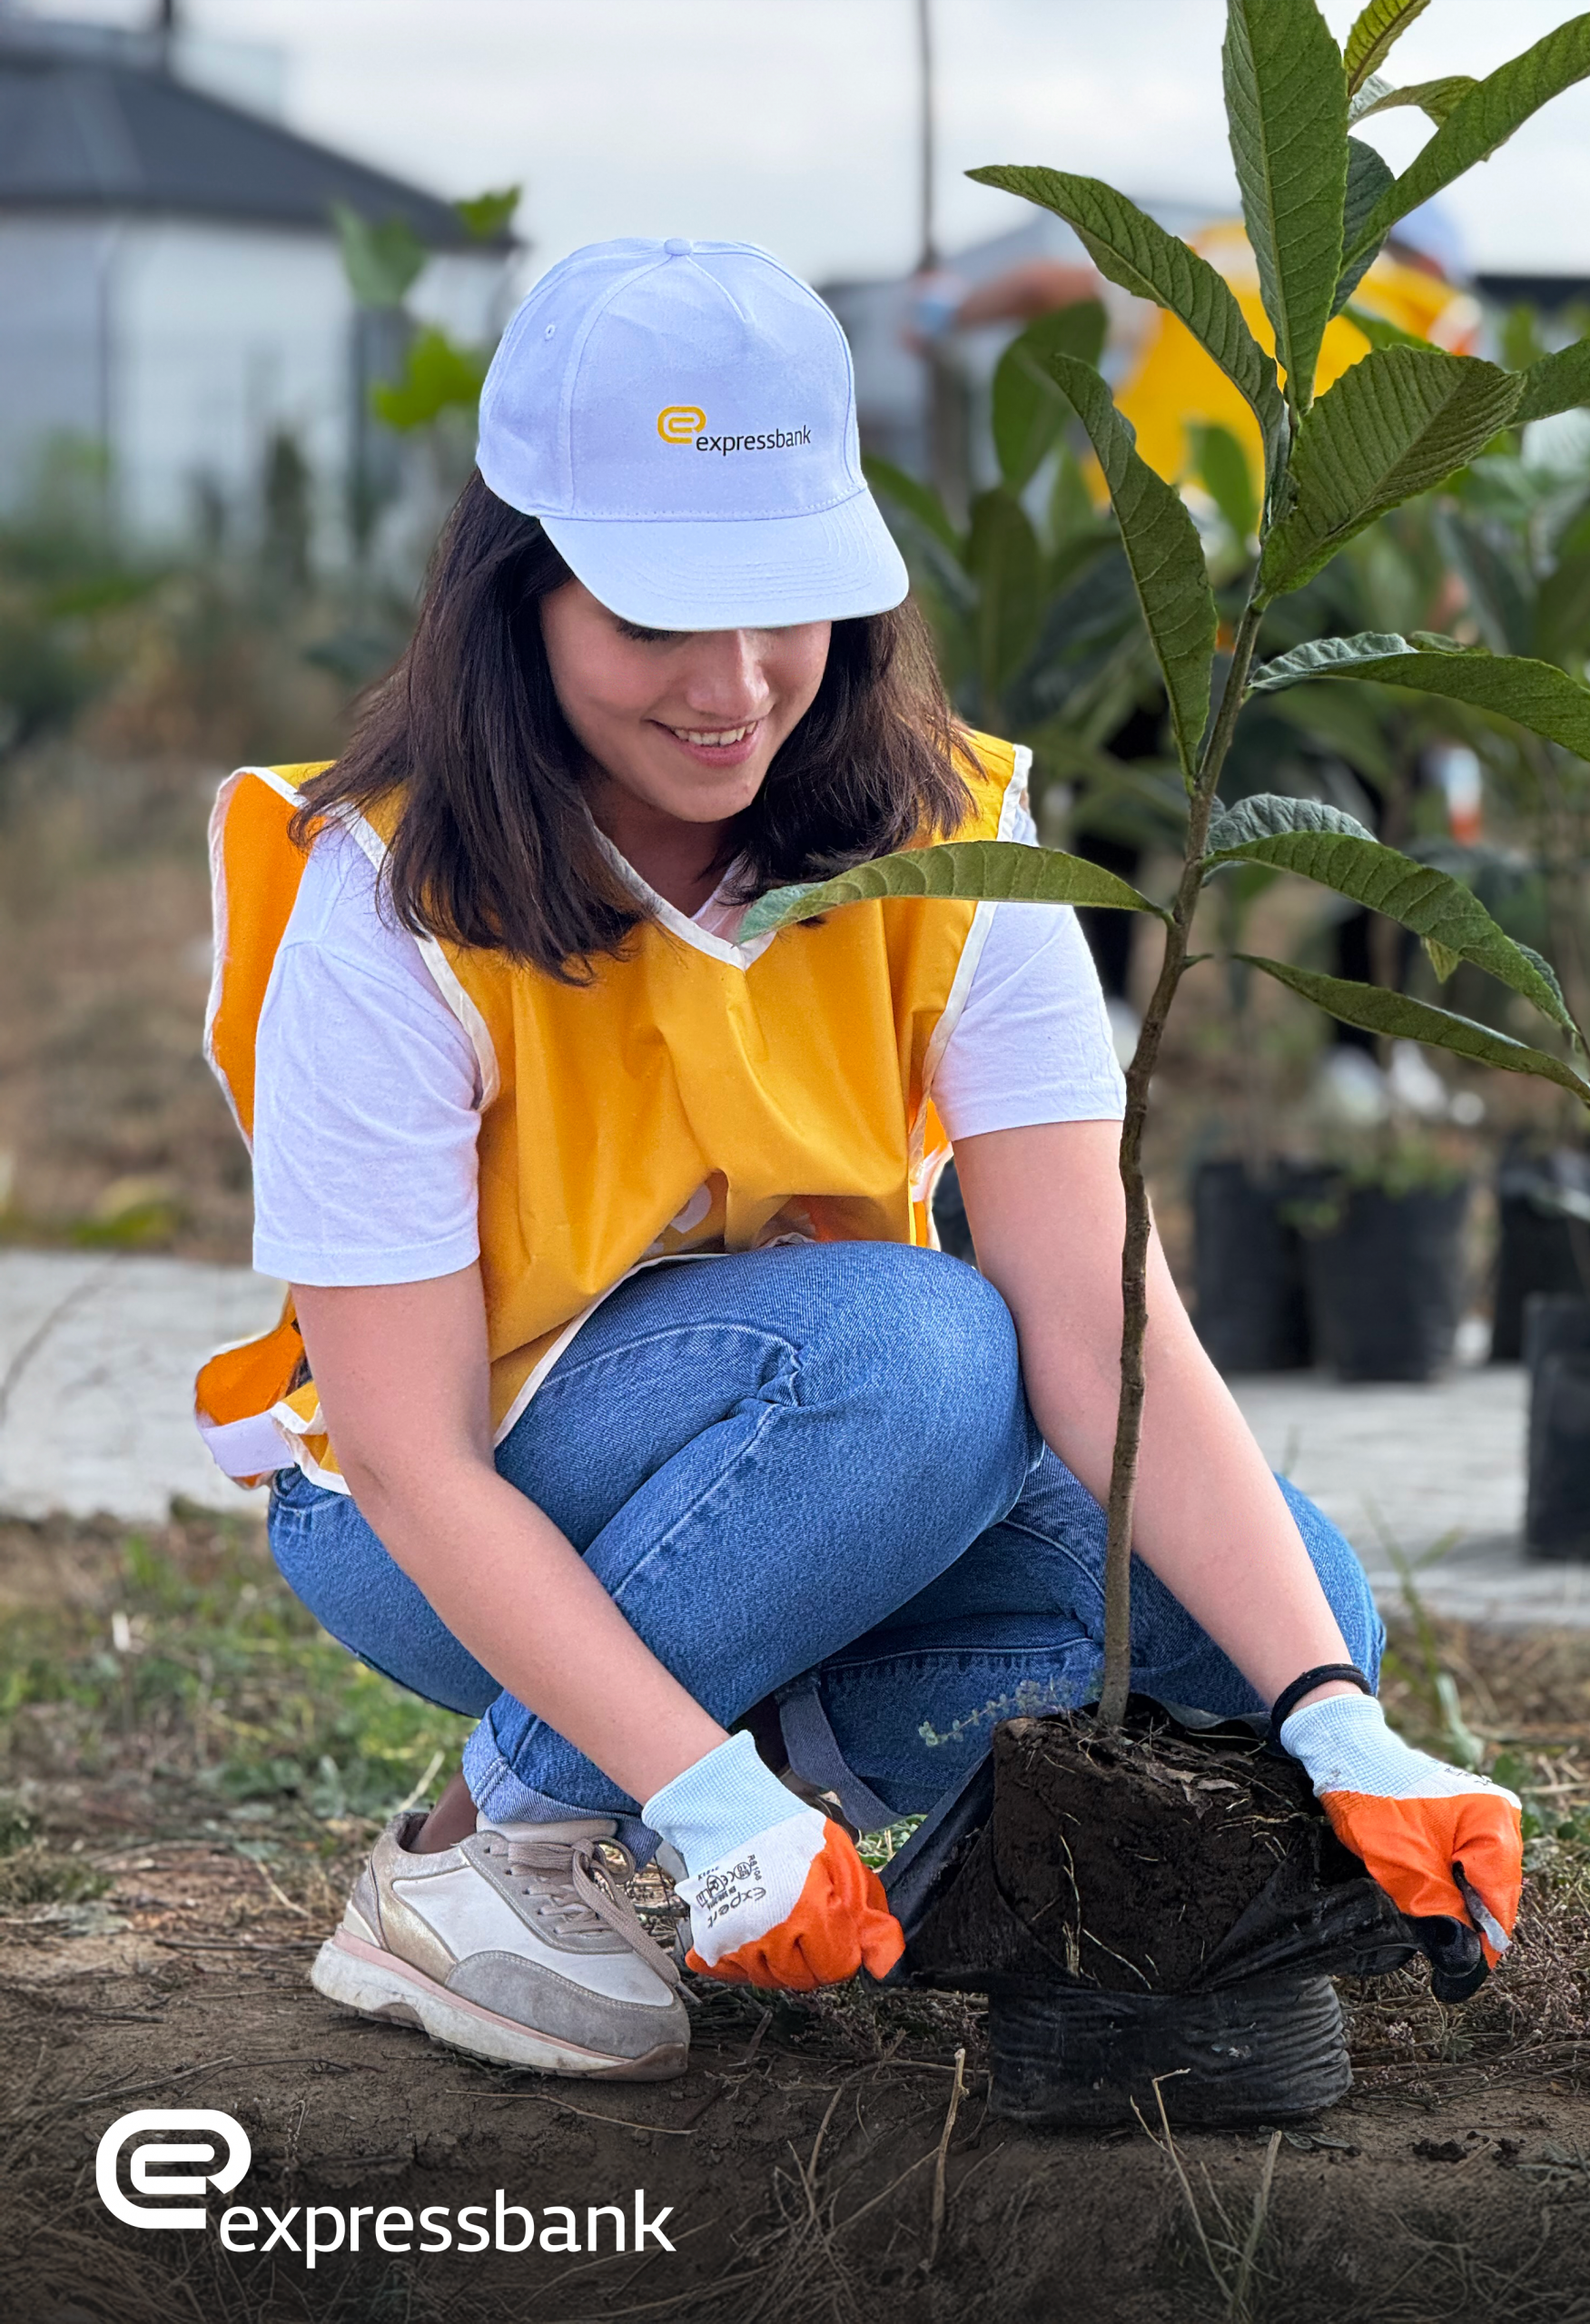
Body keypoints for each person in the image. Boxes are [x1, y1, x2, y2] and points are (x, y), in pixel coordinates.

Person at [195, 237, 1521, 2083]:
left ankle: (745, 1776)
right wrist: (691, 1789)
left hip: (828, 1477)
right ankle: (499, 1841)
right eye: (659, 617)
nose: (734, 684)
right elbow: (413, 1456)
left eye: (787, 604)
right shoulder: (387, 904)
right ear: (518, 592)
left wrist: (1336, 1711)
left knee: (1271, 1612)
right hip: (432, 1506)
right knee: (922, 1352)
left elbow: (1103, 1323)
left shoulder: (954, 844)